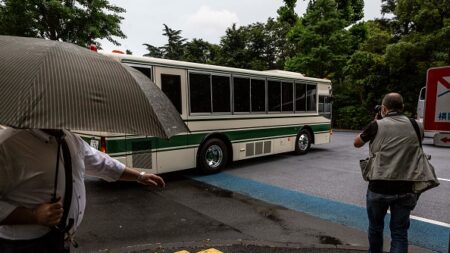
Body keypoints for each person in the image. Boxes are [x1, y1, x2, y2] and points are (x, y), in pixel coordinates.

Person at [0, 128, 165, 253]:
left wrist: (139, 176)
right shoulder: (8, 145)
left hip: (61, 241)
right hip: (23, 246)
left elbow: (101, 163)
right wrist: (34, 215)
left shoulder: (69, 138)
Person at [354, 93, 421, 253]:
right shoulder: (416, 125)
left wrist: (376, 121)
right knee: (399, 232)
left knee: (376, 227)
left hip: (378, 187)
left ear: (384, 108)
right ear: (402, 107)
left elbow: (357, 143)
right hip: (407, 187)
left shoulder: (376, 125)